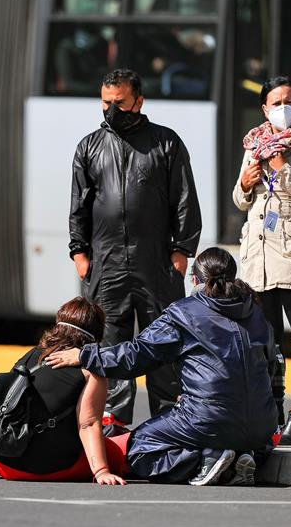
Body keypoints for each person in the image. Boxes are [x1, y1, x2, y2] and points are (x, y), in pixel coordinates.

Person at [47, 248, 278, 486]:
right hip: (261, 426)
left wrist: (86, 355)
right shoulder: (256, 312)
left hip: (208, 420)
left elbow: (137, 355)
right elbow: (273, 368)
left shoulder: (184, 313)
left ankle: (207, 459)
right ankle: (242, 455)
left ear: (195, 279)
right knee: (234, 431)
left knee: (139, 448)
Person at [68, 68, 202, 429]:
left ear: (139, 102)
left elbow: (185, 200)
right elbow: (78, 206)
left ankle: (168, 421)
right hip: (106, 264)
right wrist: (80, 254)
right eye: (106, 103)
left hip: (157, 262)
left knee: (164, 341)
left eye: (120, 103)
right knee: (109, 345)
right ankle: (112, 423)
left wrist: (182, 250)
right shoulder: (89, 147)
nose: (112, 109)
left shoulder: (166, 143)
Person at [233, 76, 291, 446]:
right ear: (264, 109)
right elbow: (241, 202)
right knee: (266, 342)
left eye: (290, 101)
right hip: (258, 257)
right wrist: (243, 183)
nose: (283, 107)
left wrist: (282, 169)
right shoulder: (254, 143)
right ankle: (272, 411)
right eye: (276, 102)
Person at [0, 297, 127, 484]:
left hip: (3, 455)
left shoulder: (32, 354)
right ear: (97, 334)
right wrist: (102, 471)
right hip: (48, 468)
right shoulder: (91, 371)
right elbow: (88, 425)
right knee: (119, 451)